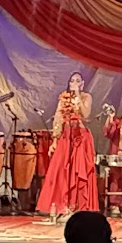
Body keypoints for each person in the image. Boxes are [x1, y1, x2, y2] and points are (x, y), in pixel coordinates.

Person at [41, 71, 100, 221]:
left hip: (81, 138)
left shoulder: (86, 97)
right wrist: (55, 140)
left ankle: (79, 208)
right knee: (62, 171)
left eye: (78, 80)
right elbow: (58, 120)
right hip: (66, 138)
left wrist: (78, 95)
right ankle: (63, 206)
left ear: (82, 84)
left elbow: (86, 114)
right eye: (72, 80)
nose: (74, 83)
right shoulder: (63, 98)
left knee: (79, 172)